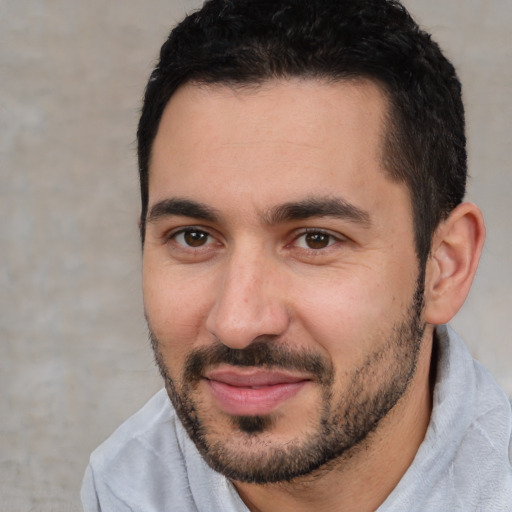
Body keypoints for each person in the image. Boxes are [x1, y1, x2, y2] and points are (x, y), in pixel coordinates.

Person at [81, 0, 512, 510]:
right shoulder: (125, 487)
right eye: (194, 237)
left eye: (316, 239)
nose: (237, 323)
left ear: (445, 267)